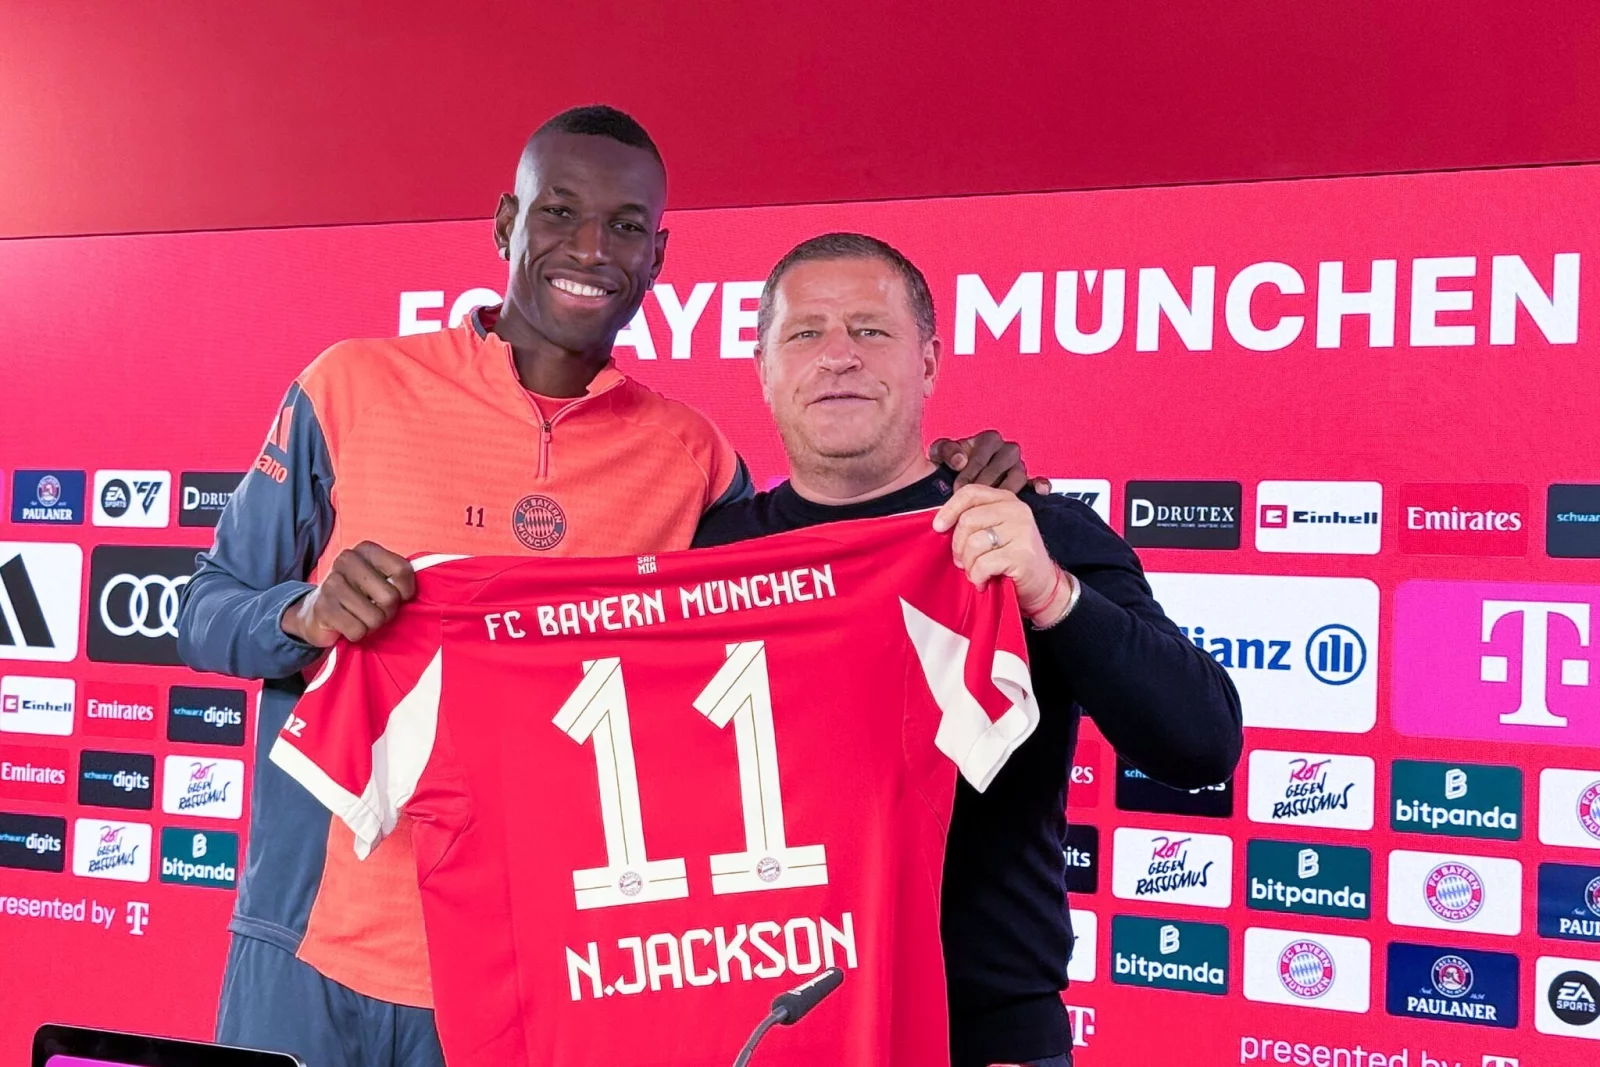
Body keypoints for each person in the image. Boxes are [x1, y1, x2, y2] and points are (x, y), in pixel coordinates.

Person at [176, 109, 1037, 1067]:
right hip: (312, 946)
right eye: (559, 212)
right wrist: (303, 615)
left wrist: (941, 487)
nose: (591, 248)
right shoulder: (350, 386)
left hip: (543, 977)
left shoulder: (693, 458)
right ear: (506, 223)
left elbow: (803, 600)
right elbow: (203, 610)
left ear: (657, 256)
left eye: (626, 226)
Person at [692, 232, 1245, 1067]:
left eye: (871, 329)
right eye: (805, 333)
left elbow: (1201, 742)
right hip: (770, 1027)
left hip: (987, 1035)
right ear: (763, 368)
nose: (838, 355)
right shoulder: (705, 555)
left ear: (929, 363)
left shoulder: (1037, 529)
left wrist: (1052, 593)